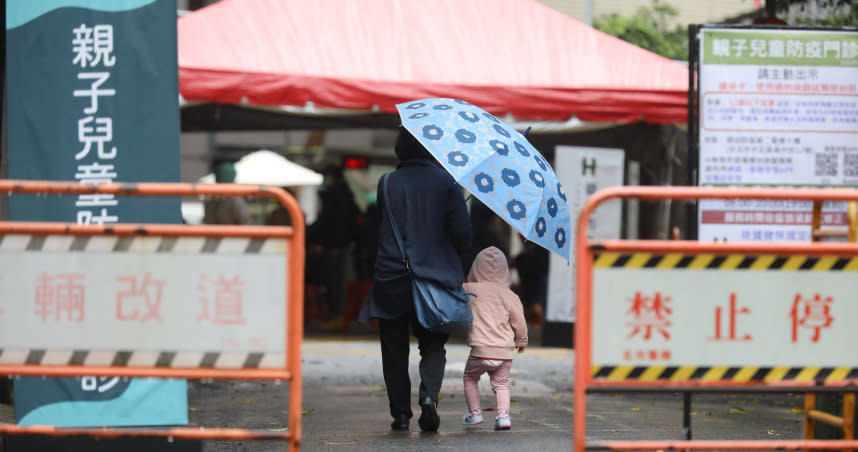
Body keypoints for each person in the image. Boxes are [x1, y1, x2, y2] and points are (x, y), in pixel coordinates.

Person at [358, 127, 472, 432]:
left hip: (391, 277)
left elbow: (378, 229)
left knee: (393, 347)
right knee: (433, 345)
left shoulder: (386, 183)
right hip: (434, 279)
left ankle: (400, 414)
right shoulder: (448, 183)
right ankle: (427, 398)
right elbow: (462, 233)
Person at [461, 246, 528, 431]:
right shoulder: (510, 295)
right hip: (503, 353)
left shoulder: (468, 289)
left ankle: (475, 414)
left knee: (469, 379)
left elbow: (455, 303)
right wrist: (521, 341)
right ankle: (503, 417)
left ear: (475, 268)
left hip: (479, 351)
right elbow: (520, 322)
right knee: (501, 384)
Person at [309, 164, 359, 329]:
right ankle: (338, 315)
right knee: (336, 281)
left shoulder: (336, 196)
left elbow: (334, 223)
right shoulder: (344, 194)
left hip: (336, 246)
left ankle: (338, 315)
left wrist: (332, 244)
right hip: (338, 244)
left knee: (336, 281)